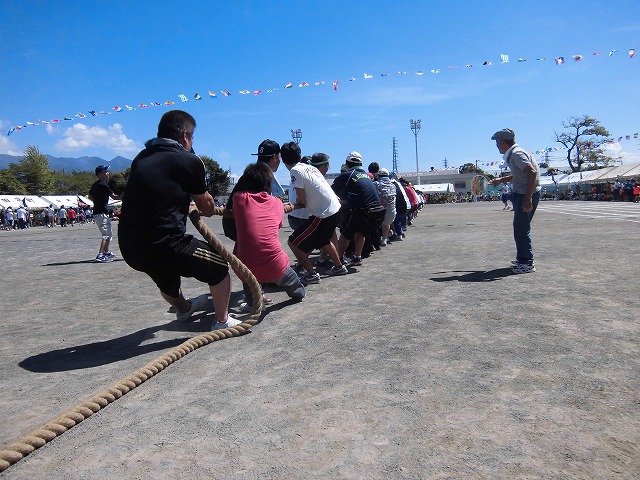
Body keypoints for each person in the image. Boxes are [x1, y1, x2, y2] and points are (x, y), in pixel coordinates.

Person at [118, 110, 240, 330]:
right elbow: (207, 207)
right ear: (185, 136)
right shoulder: (189, 160)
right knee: (220, 266)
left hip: (130, 248)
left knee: (165, 276)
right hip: (166, 244)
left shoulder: (140, 158)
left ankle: (184, 310)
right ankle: (223, 321)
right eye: (192, 138)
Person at [233, 161, 305, 312]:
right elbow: (277, 225)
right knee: (297, 289)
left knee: (246, 272)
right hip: (276, 266)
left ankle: (254, 301)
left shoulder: (238, 198)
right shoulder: (277, 203)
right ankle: (297, 293)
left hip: (246, 270)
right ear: (269, 183)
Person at [284, 147, 347, 285]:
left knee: (293, 243)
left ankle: (311, 274)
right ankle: (339, 266)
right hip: (335, 209)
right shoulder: (309, 167)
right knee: (324, 239)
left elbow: (302, 200)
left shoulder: (295, 171)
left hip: (323, 214)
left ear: (283, 161)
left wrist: (289, 206)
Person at [488, 128, 541, 274]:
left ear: (503, 142)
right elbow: (520, 174)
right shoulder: (515, 153)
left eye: (497, 143)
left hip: (525, 194)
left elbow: (532, 172)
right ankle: (522, 258)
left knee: (521, 229)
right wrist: (502, 179)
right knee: (520, 228)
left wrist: (527, 197)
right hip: (522, 193)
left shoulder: (516, 154)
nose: (497, 146)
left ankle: (527, 262)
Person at [331, 151, 386, 266]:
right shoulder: (367, 176)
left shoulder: (348, 174)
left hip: (362, 211)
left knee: (346, 233)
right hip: (377, 212)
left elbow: (330, 191)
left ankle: (339, 260)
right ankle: (357, 257)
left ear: (347, 164)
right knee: (361, 232)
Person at [223, 139, 282, 241]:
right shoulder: (263, 177)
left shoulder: (252, 173)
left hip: (232, 224)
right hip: (241, 227)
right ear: (275, 157)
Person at [88, 165, 123, 263]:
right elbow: (115, 197)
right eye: (106, 171)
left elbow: (90, 196)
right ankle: (100, 255)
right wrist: (127, 196)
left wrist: (98, 200)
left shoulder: (96, 184)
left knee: (109, 233)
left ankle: (106, 252)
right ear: (100, 174)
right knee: (106, 235)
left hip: (98, 212)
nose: (108, 173)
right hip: (101, 213)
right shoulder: (103, 184)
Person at [374, 168, 397, 246]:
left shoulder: (376, 184)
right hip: (391, 210)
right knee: (386, 224)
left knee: (376, 225)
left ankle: (378, 240)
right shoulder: (393, 185)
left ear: (379, 176)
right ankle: (384, 238)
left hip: (379, 210)